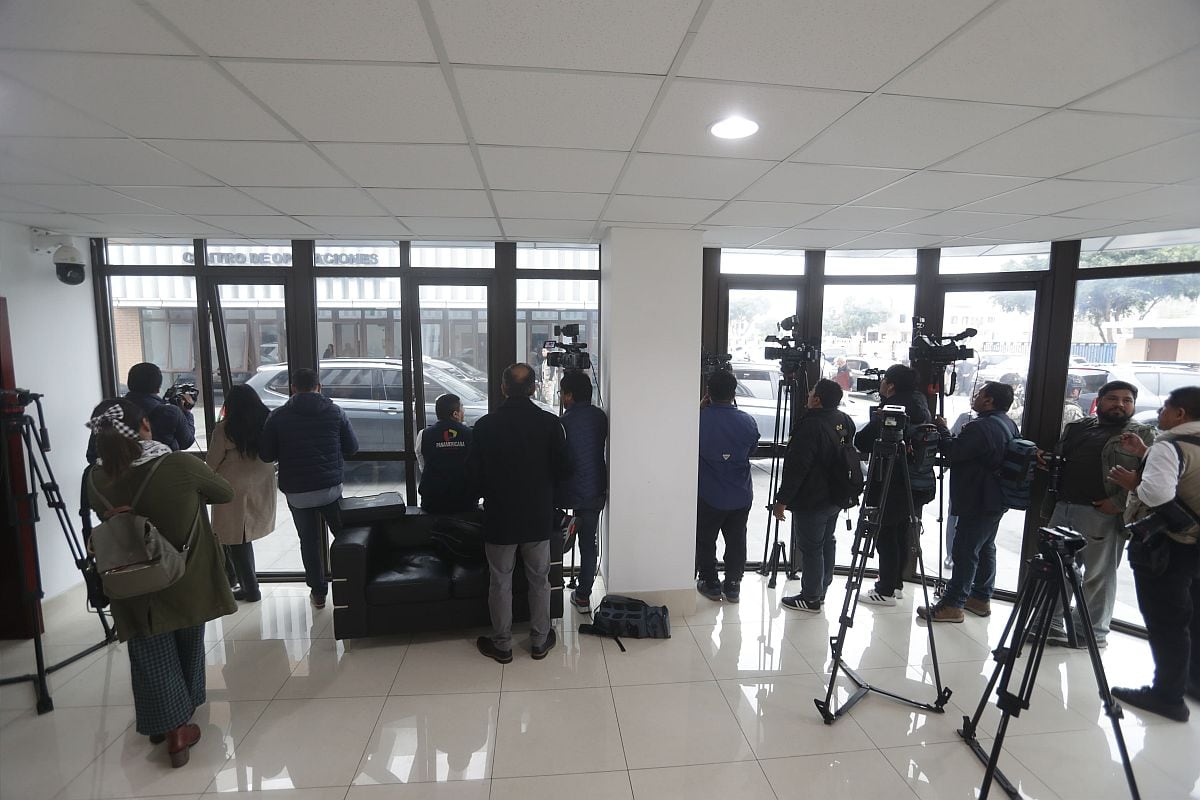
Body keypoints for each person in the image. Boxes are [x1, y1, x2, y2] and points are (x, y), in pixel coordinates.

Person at [85, 398, 234, 767]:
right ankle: (177, 731)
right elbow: (225, 494)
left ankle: (165, 718)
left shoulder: (94, 477)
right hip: (184, 573)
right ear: (146, 426)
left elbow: (102, 515)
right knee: (187, 640)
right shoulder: (179, 464)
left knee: (149, 649)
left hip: (129, 577)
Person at [467, 363, 571, 663]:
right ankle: (539, 641)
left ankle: (502, 645)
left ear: (502, 388)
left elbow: (472, 474)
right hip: (538, 515)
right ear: (533, 388)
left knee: (500, 580)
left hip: (500, 515)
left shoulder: (485, 425)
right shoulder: (550, 424)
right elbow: (565, 469)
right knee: (540, 579)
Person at [1108, 386, 1200, 722]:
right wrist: (1146, 451)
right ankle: (1192, 682)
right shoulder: (1178, 446)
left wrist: (1135, 483)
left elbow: (1158, 492)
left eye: (1165, 407)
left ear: (1180, 414)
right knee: (1193, 616)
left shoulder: (1170, 444)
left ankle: (1167, 696)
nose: (1160, 412)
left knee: (1167, 623)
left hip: (1171, 547)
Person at [1042, 380, 1155, 647]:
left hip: (1103, 513)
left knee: (1098, 575)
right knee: (1058, 570)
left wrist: (1120, 502)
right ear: (1099, 401)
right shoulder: (1079, 428)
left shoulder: (1142, 435)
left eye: (1127, 400)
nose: (1120, 404)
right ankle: (1054, 622)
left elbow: (1152, 476)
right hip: (1064, 506)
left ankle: (1091, 632)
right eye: (1113, 399)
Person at [259, 367, 359, 610]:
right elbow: (352, 448)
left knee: (309, 542)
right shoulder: (335, 412)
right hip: (330, 490)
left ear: (293, 388)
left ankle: (318, 592)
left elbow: (266, 455)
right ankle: (354, 585)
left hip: (298, 493)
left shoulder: (278, 416)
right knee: (345, 538)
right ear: (319, 387)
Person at [918, 381, 1018, 623]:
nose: (975, 397)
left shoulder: (980, 427)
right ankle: (980, 598)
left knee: (965, 551)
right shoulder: (1008, 423)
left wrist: (941, 430)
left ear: (989, 401)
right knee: (984, 547)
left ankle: (953, 604)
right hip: (995, 497)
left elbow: (954, 452)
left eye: (980, 394)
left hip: (978, 498)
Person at [774, 379, 857, 613]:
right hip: (836, 495)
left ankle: (810, 597)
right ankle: (821, 589)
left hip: (813, 498)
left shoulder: (810, 425)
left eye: (811, 392)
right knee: (826, 541)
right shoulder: (843, 420)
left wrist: (782, 500)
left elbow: (797, 467)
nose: (808, 395)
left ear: (817, 399)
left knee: (811, 547)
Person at [857, 364, 935, 607]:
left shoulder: (893, 409)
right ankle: (896, 583)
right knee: (901, 532)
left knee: (885, 533)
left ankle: (886, 589)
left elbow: (864, 440)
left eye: (884, 380)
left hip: (893, 480)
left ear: (890, 385)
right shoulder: (921, 404)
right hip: (918, 480)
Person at [205, 384, 277, 604]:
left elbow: (212, 462)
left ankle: (250, 588)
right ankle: (246, 584)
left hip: (232, 488)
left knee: (236, 540)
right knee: (242, 538)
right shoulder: (267, 422)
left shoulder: (225, 429)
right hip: (261, 484)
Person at [696, 369, 759, 603]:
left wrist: (699, 408)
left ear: (707, 393)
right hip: (740, 493)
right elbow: (752, 450)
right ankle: (733, 584)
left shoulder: (697, 420)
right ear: (734, 394)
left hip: (708, 493)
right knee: (736, 539)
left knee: (705, 539)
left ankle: (710, 582)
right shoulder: (747, 421)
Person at [555, 370, 608, 612]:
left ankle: (567, 528)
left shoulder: (563, 423)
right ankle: (584, 596)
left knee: (556, 539)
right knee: (589, 544)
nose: (562, 398)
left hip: (569, 491)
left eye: (563, 393)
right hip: (595, 487)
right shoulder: (601, 417)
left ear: (570, 395)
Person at [87, 362, 195, 462]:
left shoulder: (110, 410)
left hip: (110, 477)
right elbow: (186, 442)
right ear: (158, 388)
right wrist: (187, 412)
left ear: (129, 383)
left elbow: (92, 455)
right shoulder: (170, 412)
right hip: (159, 476)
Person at [414, 393, 476, 513]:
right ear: (455, 414)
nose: (464, 411)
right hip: (465, 502)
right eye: (462, 407)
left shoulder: (424, 434)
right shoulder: (471, 434)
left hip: (432, 502)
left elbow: (423, 465)